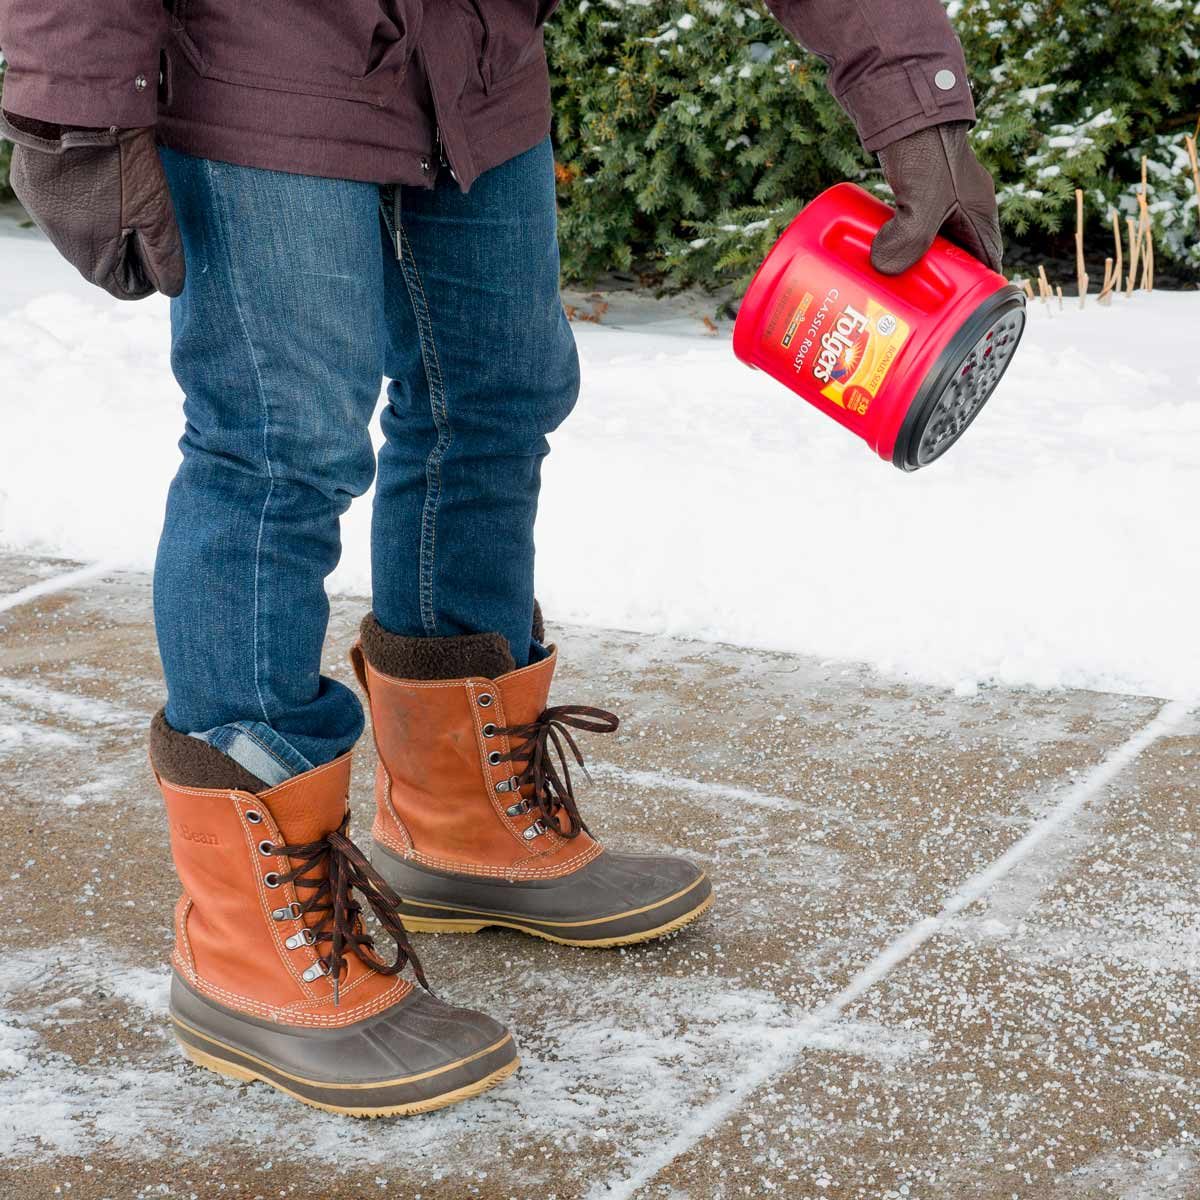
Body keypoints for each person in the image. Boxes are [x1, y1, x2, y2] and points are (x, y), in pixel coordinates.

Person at [0, 0, 1002, 1116]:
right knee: (279, 453)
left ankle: (461, 821)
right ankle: (245, 941)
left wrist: (919, 107)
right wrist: (70, 105)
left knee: (495, 395)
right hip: (255, 64)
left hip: (472, 61)